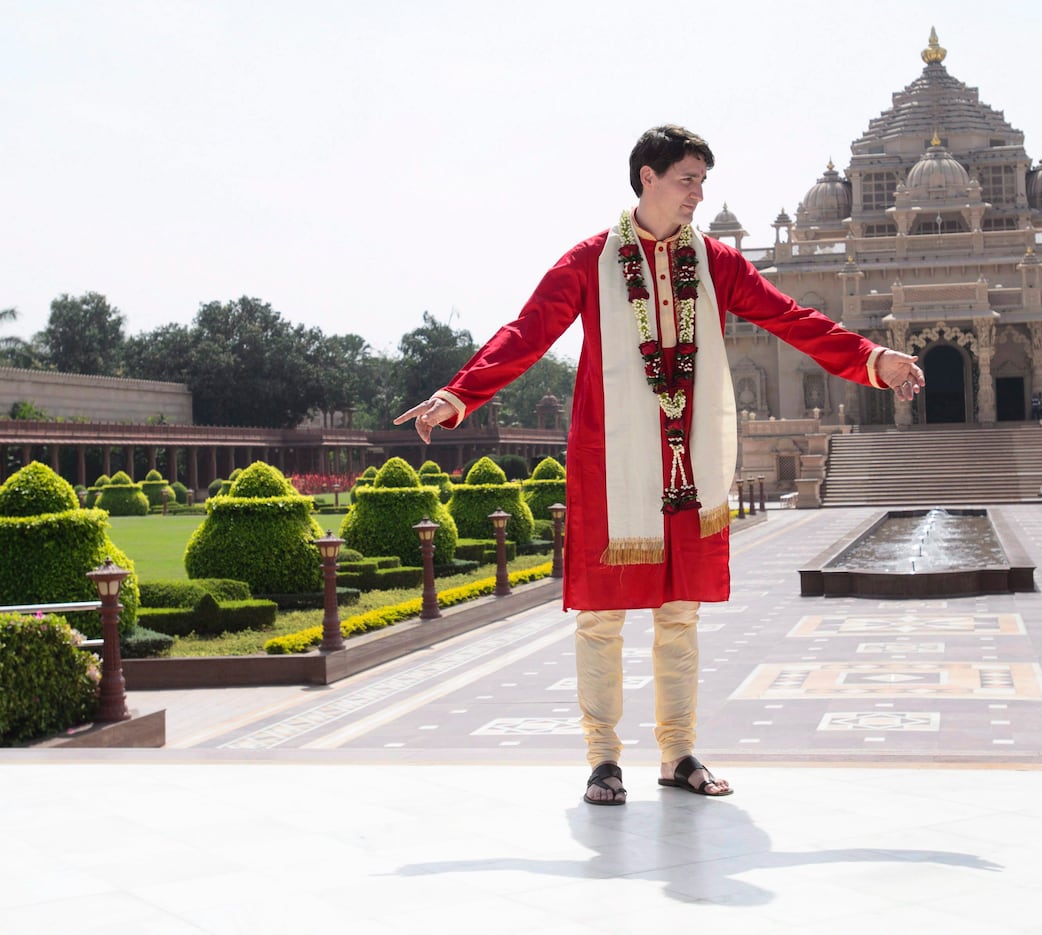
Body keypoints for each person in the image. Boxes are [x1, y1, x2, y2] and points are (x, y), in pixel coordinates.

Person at [394, 125, 924, 806]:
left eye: (703, 182)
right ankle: (603, 758)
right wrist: (458, 393)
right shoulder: (590, 261)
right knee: (602, 617)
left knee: (680, 613)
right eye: (687, 180)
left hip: (689, 460)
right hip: (612, 464)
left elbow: (790, 317)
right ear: (647, 177)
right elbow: (526, 333)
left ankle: (677, 753)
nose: (698, 195)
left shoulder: (713, 262)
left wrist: (871, 359)